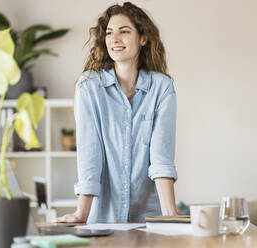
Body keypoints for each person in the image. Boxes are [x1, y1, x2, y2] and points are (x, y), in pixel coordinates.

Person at [56, 2, 178, 223]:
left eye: (124, 32)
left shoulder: (162, 88)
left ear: (143, 38)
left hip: (147, 222)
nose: (114, 39)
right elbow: (89, 155)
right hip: (102, 221)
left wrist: (172, 217)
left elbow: (161, 160)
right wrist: (81, 214)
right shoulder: (89, 86)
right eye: (109, 33)